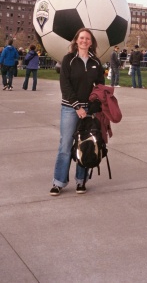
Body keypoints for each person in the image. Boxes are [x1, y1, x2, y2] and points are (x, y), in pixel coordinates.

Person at [50, 28, 105, 196]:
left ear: (91, 42)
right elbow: (65, 86)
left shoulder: (96, 62)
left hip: (88, 109)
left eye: (87, 39)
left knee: (85, 144)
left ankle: (81, 181)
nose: (84, 41)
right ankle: (58, 182)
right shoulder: (68, 60)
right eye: (81, 38)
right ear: (76, 40)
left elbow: (100, 86)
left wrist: (94, 104)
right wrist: (77, 107)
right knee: (65, 145)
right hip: (70, 108)